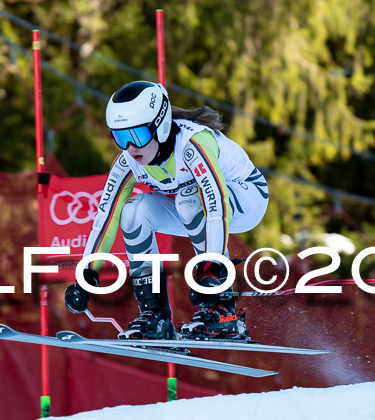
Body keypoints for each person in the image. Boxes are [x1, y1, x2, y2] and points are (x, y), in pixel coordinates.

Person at [64, 81, 269, 341]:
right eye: (120, 137)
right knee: (133, 212)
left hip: (246, 198)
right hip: (197, 207)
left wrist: (210, 272)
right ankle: (156, 315)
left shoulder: (192, 144)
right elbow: (106, 217)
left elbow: (215, 205)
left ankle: (222, 310)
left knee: (188, 198)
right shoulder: (128, 161)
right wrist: (86, 274)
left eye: (136, 135)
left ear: (159, 126)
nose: (130, 147)